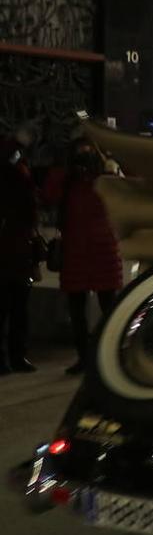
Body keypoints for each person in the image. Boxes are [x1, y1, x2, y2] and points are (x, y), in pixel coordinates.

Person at [44, 138, 123, 375]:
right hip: (82, 253)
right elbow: (49, 194)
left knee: (107, 310)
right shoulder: (69, 182)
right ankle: (87, 358)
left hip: (97, 253)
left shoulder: (105, 179)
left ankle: (106, 357)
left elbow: (127, 187)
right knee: (79, 313)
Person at [0, 130, 39, 374]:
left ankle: (14, 355)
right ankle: (15, 355)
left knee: (14, 307)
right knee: (12, 307)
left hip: (16, 247)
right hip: (12, 248)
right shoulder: (15, 171)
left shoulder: (18, 171)